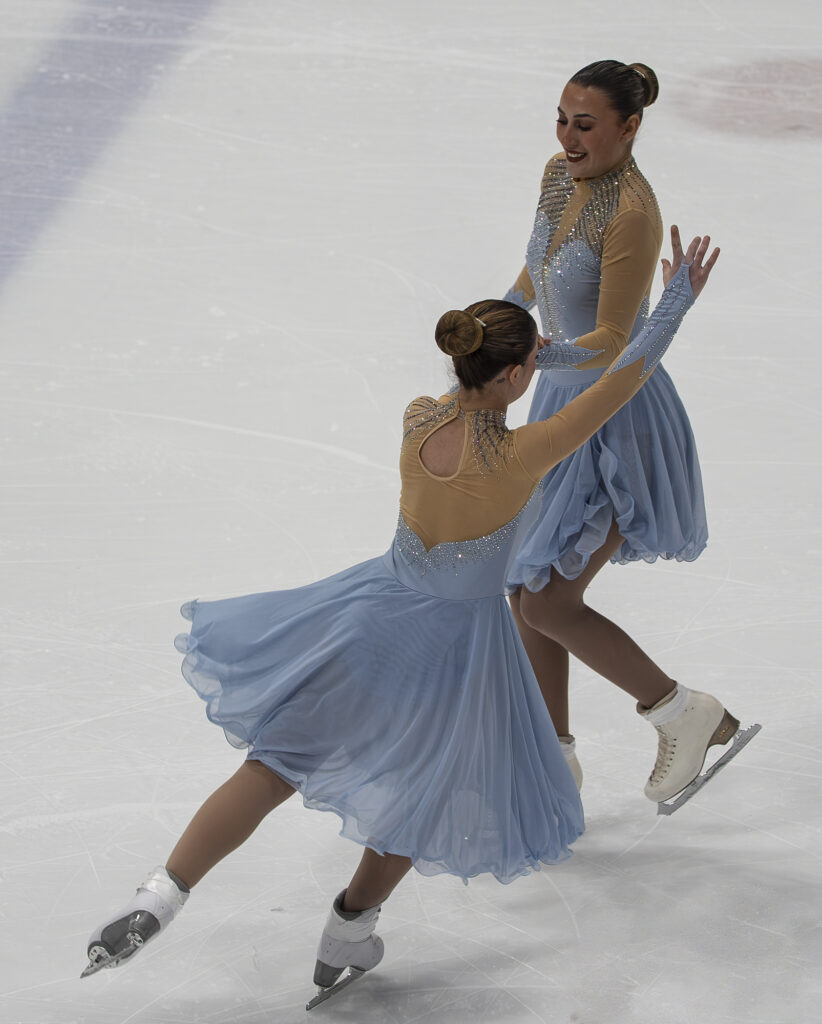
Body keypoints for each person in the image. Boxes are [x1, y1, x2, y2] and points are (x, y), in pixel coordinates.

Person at [81, 234, 716, 1003]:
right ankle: (352, 922)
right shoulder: (524, 454)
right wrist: (673, 302)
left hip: (368, 615)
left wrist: (520, 360)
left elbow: (484, 386)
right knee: (427, 788)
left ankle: (161, 892)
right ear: (516, 374)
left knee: (274, 762)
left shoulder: (419, 418)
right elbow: (623, 379)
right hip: (455, 647)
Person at [503, 60, 722, 799]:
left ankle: (681, 712)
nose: (568, 137)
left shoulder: (632, 212)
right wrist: (500, 314)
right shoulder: (558, 175)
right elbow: (540, 266)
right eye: (561, 118)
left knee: (548, 600)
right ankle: (553, 760)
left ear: (630, 128)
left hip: (617, 421)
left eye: (586, 124)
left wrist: (536, 355)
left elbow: (617, 340)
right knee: (525, 584)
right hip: (561, 409)